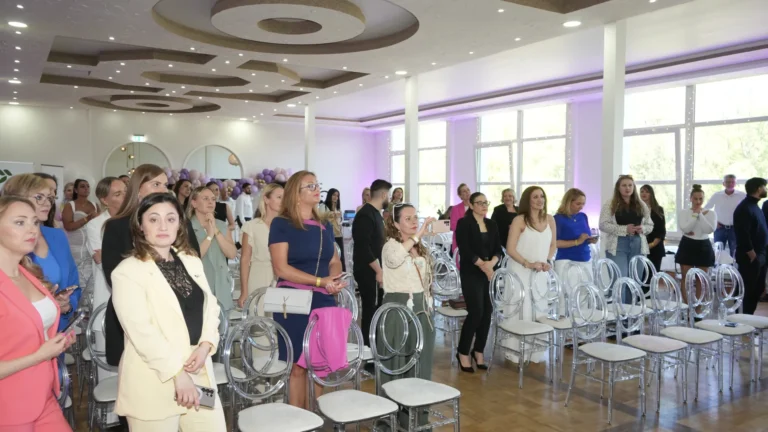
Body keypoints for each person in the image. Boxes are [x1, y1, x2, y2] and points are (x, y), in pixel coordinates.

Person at [111, 193, 225, 431]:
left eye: (170, 219)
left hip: (197, 370)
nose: (163, 226)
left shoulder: (191, 261)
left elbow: (211, 307)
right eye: (153, 219)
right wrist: (177, 374)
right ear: (140, 226)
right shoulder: (127, 271)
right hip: (155, 377)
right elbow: (142, 332)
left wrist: (206, 345)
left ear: (179, 224)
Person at [102, 164, 201, 368]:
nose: (163, 189)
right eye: (156, 184)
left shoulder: (179, 222)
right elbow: (115, 276)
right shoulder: (117, 226)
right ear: (138, 189)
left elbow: (194, 265)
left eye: (165, 185)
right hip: (138, 319)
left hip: (181, 316)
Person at [268, 171, 347, 409]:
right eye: (310, 186)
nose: (317, 189)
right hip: (293, 301)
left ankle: (314, 415)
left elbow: (334, 260)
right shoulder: (282, 224)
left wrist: (333, 278)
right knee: (297, 366)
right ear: (295, 193)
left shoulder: (324, 225)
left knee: (320, 365)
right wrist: (320, 281)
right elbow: (281, 268)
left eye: (317, 184)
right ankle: (298, 418)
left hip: (324, 299)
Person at [0, 196, 76, 431]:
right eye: (20, 222)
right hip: (10, 405)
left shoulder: (27, 273)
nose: (32, 229)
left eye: (34, 222)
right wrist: (41, 355)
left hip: (43, 395)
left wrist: (55, 341)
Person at [380, 203, 436, 426]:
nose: (414, 222)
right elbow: (394, 261)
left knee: (421, 363)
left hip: (421, 308)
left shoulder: (420, 247)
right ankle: (391, 419)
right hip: (398, 309)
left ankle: (417, 418)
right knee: (396, 362)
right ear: (395, 224)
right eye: (408, 218)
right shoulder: (391, 246)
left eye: (416, 217)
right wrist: (417, 236)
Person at [3, 174, 81, 331]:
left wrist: (66, 306)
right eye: (39, 197)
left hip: (58, 330)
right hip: (19, 334)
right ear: (17, 199)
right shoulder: (8, 243)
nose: (47, 203)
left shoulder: (57, 236)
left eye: (50, 198)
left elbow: (74, 285)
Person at [504, 186, 556, 363]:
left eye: (542, 196)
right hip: (520, 271)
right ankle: (515, 351)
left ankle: (536, 351)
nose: (540, 200)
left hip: (540, 273)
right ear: (528, 200)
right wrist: (528, 263)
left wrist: (547, 261)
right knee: (521, 309)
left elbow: (553, 245)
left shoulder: (550, 219)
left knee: (539, 308)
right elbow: (510, 249)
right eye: (535, 197)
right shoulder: (519, 220)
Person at [85, 176, 126, 396]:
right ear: (104, 200)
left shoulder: (135, 220)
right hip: (106, 294)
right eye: (118, 194)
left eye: (125, 192)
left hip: (132, 298)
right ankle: (110, 411)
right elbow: (103, 259)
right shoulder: (96, 225)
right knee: (109, 357)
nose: (124, 197)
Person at [456, 192, 502, 372]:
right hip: (471, 272)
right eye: (480, 203)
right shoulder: (464, 223)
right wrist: (483, 265)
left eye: (486, 202)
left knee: (487, 313)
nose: (484, 206)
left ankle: (479, 350)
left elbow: (498, 249)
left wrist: (491, 264)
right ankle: (463, 351)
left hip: (489, 272)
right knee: (476, 312)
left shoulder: (492, 224)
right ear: (471, 205)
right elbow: (465, 249)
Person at [352, 179, 391, 347]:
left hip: (375, 270)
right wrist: (378, 271)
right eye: (388, 195)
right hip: (368, 271)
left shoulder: (376, 214)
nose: (389, 198)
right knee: (370, 311)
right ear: (383, 194)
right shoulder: (365, 215)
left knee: (376, 309)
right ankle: (368, 350)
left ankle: (376, 346)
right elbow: (363, 248)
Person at [598, 175, 653, 287]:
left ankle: (632, 300)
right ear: (618, 187)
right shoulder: (610, 204)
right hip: (618, 245)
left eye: (630, 185)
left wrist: (643, 228)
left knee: (635, 283)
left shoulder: (641, 204)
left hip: (638, 244)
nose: (627, 188)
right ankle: (619, 299)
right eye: (624, 185)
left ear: (633, 187)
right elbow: (603, 224)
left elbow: (650, 225)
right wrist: (624, 229)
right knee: (620, 282)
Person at [188, 187, 236, 311]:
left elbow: (231, 254)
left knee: (223, 322)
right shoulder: (186, 227)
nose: (210, 202)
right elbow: (193, 257)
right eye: (205, 198)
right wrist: (209, 236)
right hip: (200, 285)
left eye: (213, 199)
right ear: (194, 203)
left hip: (221, 286)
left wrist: (215, 230)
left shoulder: (221, 225)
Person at [238, 183, 283, 308]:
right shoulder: (251, 226)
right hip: (258, 277)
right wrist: (244, 291)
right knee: (260, 317)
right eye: (279, 197)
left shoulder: (287, 226)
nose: (283, 201)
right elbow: (245, 260)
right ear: (266, 199)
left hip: (282, 279)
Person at [676, 185, 717, 303]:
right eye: (695, 199)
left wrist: (701, 215)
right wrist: (695, 215)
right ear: (691, 198)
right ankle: (687, 305)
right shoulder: (684, 212)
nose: (698, 202)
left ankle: (698, 307)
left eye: (700, 199)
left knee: (701, 278)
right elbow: (686, 228)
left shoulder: (711, 213)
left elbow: (709, 230)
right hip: (687, 244)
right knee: (686, 277)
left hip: (703, 245)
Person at [553, 188, 595, 301]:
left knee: (584, 295)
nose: (581, 207)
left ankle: (583, 313)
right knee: (566, 296)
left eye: (583, 204)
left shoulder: (583, 216)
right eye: (578, 204)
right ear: (568, 202)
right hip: (566, 260)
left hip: (585, 258)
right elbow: (555, 243)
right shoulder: (558, 219)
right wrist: (577, 242)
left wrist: (590, 240)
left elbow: (585, 236)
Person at [733, 177, 768, 315]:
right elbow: (742, 235)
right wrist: (753, 255)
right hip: (751, 257)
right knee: (747, 291)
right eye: (764, 187)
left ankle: (749, 317)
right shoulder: (744, 208)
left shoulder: (755, 206)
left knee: (756, 290)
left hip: (760, 255)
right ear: (759, 189)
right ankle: (741, 319)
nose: (766, 189)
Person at [705, 174, 746, 257]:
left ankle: (734, 266)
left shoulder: (742, 195)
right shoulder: (717, 195)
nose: (730, 184)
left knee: (735, 253)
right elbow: (706, 209)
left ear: (735, 183)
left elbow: (747, 211)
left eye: (732, 182)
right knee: (718, 253)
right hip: (720, 228)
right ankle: (718, 266)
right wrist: (713, 222)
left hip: (735, 229)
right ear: (723, 183)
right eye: (727, 182)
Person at [640, 185, 666, 272]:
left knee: (653, 275)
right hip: (639, 246)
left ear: (651, 194)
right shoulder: (636, 209)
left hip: (655, 248)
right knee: (640, 275)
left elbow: (661, 231)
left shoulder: (658, 209)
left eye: (647, 192)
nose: (644, 194)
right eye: (642, 191)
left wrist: (651, 245)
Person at [319, 188, 345, 272]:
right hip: (328, 236)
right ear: (330, 195)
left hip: (338, 235)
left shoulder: (338, 209)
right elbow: (321, 219)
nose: (335, 197)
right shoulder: (323, 206)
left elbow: (339, 223)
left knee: (340, 257)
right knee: (330, 257)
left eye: (337, 196)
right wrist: (330, 214)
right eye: (334, 195)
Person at [450, 183, 472, 257]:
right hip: (460, 242)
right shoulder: (455, 208)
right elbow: (453, 225)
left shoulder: (477, 207)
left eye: (468, 190)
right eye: (464, 191)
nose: (467, 192)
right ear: (460, 196)